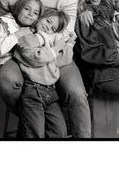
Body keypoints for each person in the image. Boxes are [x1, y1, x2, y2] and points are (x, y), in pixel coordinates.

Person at [0, 0, 91, 138]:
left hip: (56, 55)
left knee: (77, 94)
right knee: (5, 79)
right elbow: (1, 24)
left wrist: (41, 48)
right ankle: (37, 124)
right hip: (20, 54)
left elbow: (64, 35)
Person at [14, 8, 75, 138]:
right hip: (33, 91)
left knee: (60, 132)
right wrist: (56, 48)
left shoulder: (49, 43)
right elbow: (37, 58)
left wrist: (69, 43)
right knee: (35, 133)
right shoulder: (27, 37)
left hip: (51, 92)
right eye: (48, 21)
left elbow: (63, 60)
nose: (48, 27)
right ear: (41, 17)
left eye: (53, 28)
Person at [0, 0, 43, 124]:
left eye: (35, 13)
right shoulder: (3, 22)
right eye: (27, 9)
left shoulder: (29, 30)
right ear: (18, 8)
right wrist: (17, 35)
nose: (30, 14)